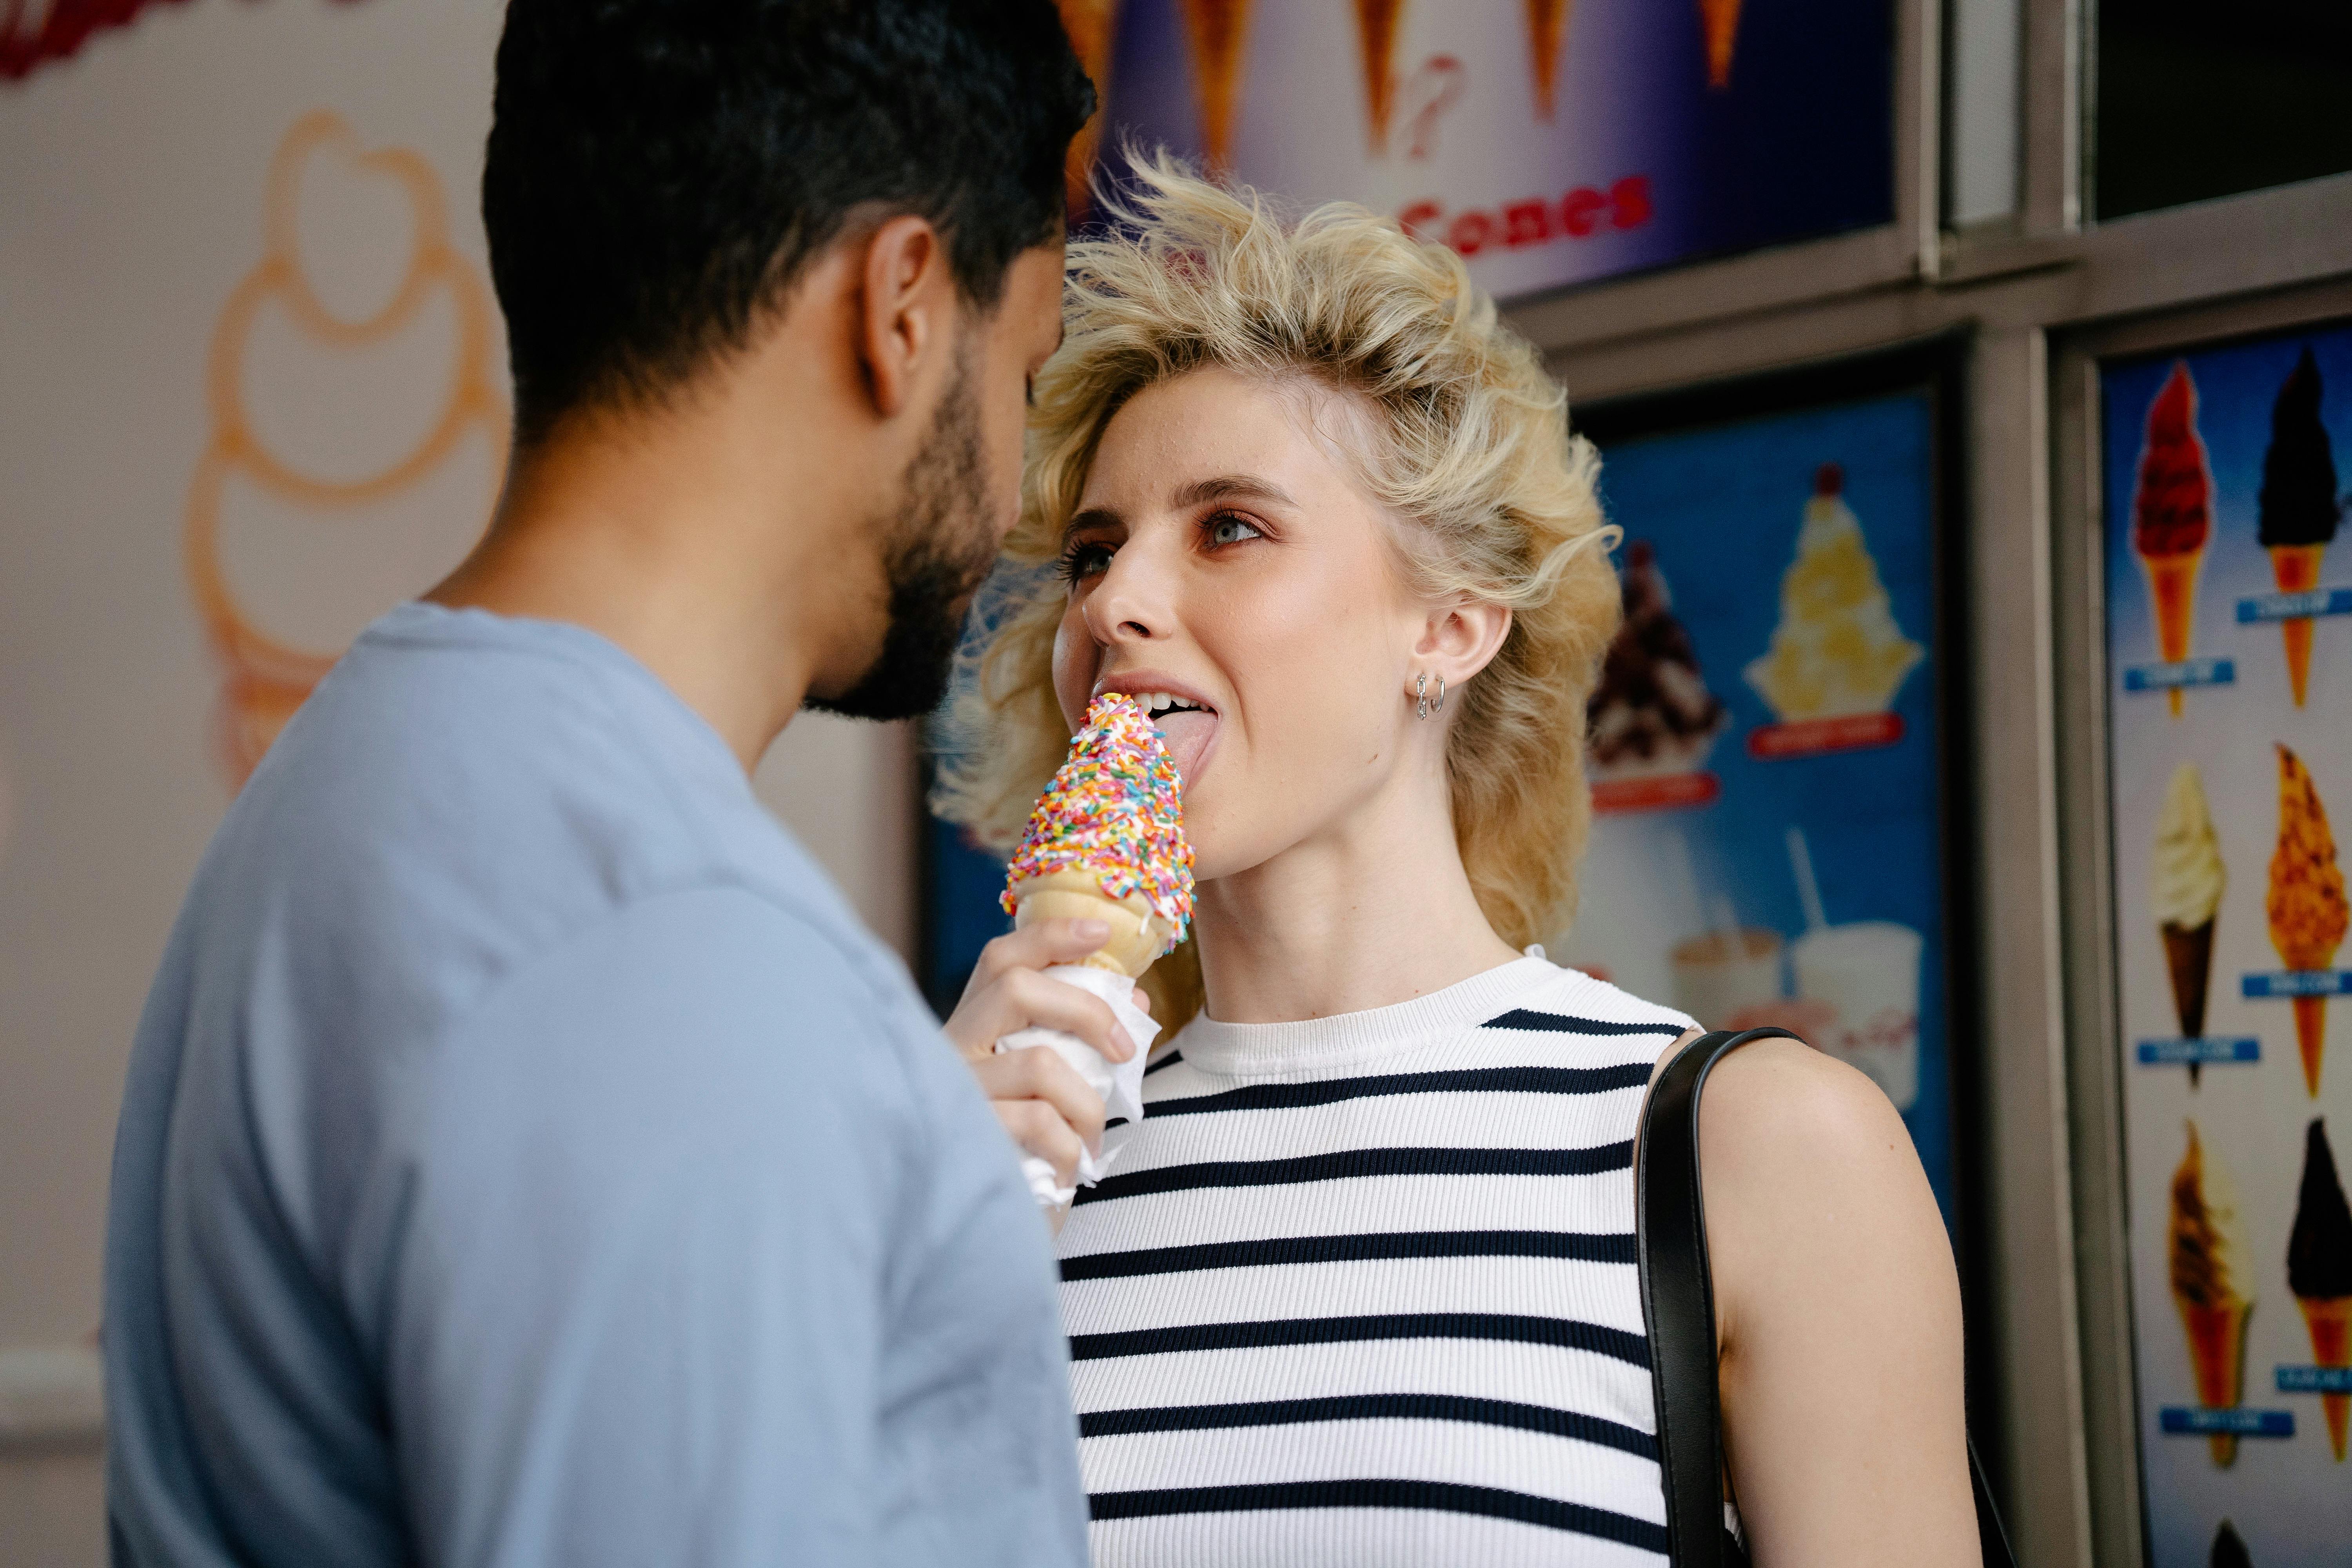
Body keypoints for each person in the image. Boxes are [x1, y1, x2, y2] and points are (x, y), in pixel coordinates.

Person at [102, 4, 1129, 1563]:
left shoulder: (340, 789)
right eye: (1032, 369)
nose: (1016, 489)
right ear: (903, 306)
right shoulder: (672, 954)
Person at [935, 158, 1982, 1565]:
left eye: (1228, 528)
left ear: (1451, 627)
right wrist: (912, 1236)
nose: (1118, 601)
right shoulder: (1004, 1169)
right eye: (1092, 552)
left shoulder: (1749, 1152)